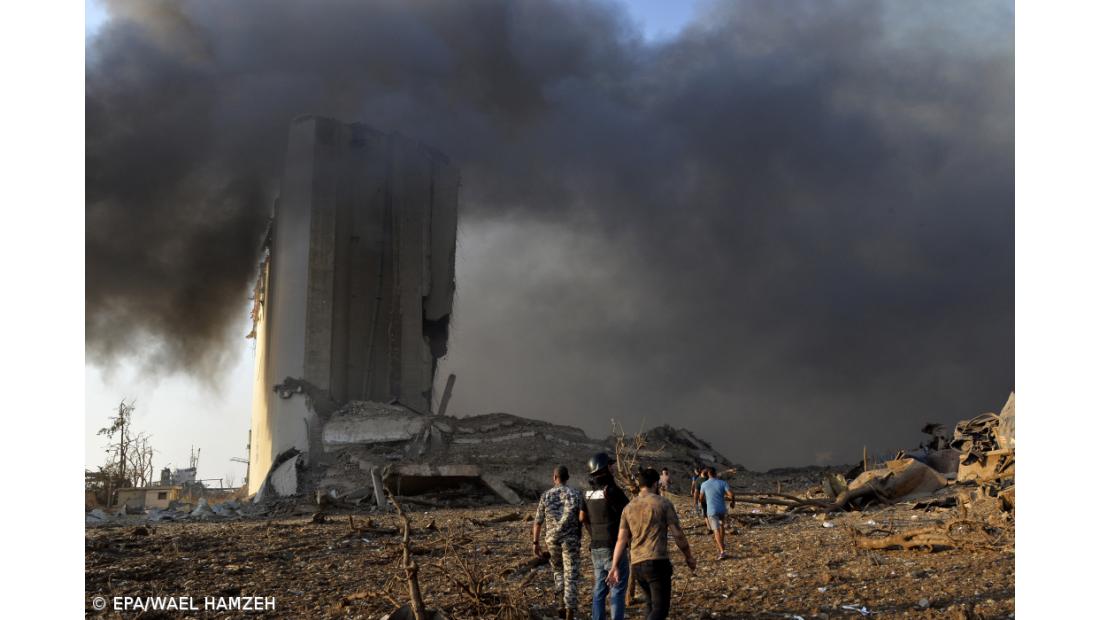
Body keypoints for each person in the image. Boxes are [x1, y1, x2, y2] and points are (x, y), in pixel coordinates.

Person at [608, 467, 696, 620]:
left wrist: (614, 566)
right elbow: (677, 533)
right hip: (657, 561)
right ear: (656, 484)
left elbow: (621, 540)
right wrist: (688, 556)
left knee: (650, 604)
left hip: (637, 564)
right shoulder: (663, 503)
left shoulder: (628, 508)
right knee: (660, 609)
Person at [579, 452, 630, 620]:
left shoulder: (586, 493)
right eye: (610, 465)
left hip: (596, 547)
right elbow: (629, 514)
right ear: (604, 468)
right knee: (617, 589)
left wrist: (593, 533)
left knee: (600, 590)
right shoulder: (613, 491)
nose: (613, 467)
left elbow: (582, 518)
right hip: (614, 548)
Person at [533, 465, 583, 620]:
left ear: (554, 477)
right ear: (567, 478)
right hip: (571, 541)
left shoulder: (546, 496)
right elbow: (582, 517)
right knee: (571, 574)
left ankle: (561, 604)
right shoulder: (575, 494)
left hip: (552, 540)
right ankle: (570, 610)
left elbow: (537, 522)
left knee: (558, 572)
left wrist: (535, 542)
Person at [699, 466, 735, 559]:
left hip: (712, 510)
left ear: (708, 474)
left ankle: (722, 551)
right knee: (722, 525)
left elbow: (701, 497)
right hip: (722, 509)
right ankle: (722, 543)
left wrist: (704, 501)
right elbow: (731, 494)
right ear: (715, 473)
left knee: (716, 530)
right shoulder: (723, 483)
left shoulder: (704, 484)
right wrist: (732, 502)